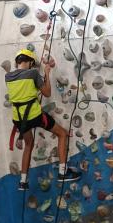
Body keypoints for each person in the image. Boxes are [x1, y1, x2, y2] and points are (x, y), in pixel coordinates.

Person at [5, 50, 81, 190]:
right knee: (62, 134)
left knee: (29, 145)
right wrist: (46, 73)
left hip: (19, 119)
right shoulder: (33, 74)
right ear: (30, 62)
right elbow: (47, 93)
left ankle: (23, 181)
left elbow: (23, 91)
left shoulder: (8, 77)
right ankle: (63, 172)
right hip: (34, 116)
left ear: (17, 62)